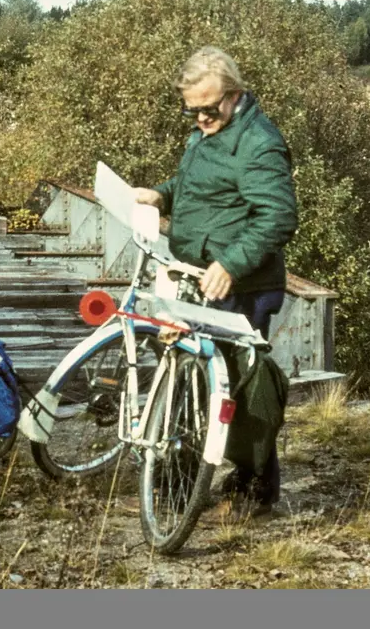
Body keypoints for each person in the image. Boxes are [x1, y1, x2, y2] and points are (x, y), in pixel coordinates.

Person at [134, 45, 298, 516]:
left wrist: (230, 263)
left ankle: (254, 491)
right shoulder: (209, 134)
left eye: (209, 109)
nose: (201, 119)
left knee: (243, 388)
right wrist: (161, 196)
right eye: (193, 111)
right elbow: (198, 187)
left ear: (235, 94)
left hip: (239, 286)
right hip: (197, 281)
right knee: (190, 382)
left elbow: (279, 215)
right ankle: (179, 484)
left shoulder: (259, 142)